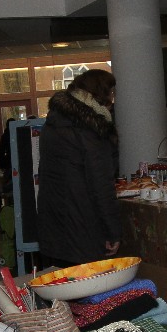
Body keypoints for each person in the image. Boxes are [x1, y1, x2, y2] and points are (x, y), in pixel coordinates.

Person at [37, 69, 120, 268]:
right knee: (91, 284)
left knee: (63, 282)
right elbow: (101, 186)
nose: (112, 98)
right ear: (100, 93)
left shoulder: (53, 123)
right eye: (111, 92)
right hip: (83, 226)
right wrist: (113, 231)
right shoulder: (92, 129)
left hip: (53, 225)